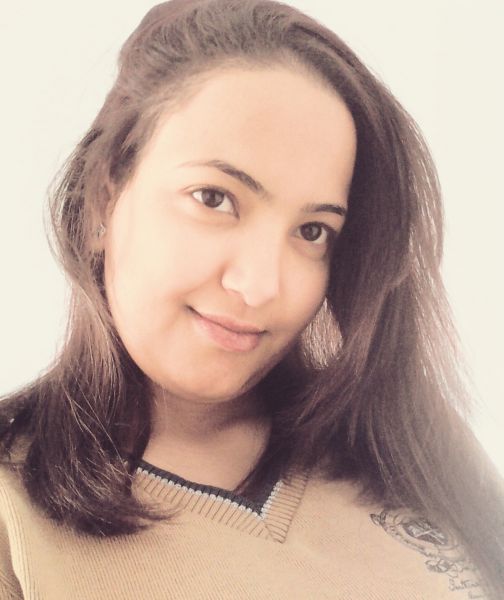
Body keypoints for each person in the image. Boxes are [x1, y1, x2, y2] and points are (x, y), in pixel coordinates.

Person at [0, 0, 503, 598]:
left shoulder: (409, 448)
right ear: (103, 198)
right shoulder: (13, 516)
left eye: (312, 231)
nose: (262, 285)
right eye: (214, 198)